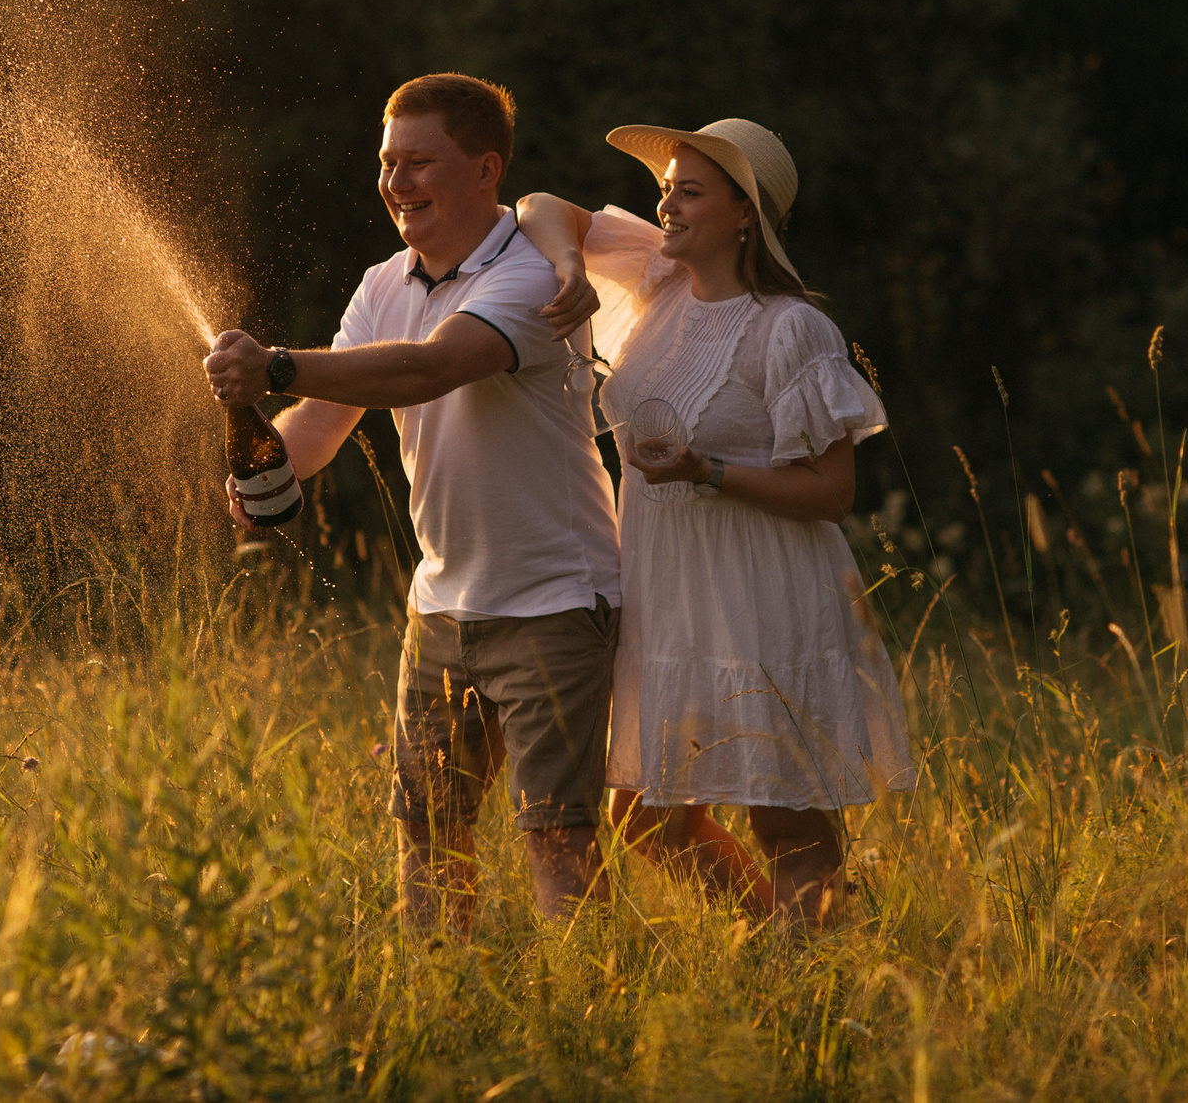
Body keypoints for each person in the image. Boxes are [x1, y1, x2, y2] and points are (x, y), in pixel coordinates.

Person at [203, 73, 622, 929]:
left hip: (556, 600)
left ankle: (595, 1024)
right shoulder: (382, 281)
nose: (397, 182)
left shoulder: (534, 275)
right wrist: (269, 470)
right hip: (441, 608)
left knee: (559, 840)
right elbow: (322, 422)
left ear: (485, 170)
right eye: (388, 163)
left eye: (420, 162)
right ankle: (445, 1001)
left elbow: (426, 367)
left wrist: (275, 361)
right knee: (427, 831)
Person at [516, 117, 913, 928]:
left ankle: (817, 974)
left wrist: (712, 470)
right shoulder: (657, 282)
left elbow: (833, 490)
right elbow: (538, 206)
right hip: (665, 588)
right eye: (666, 189)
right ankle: (777, 929)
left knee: (784, 814)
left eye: (689, 192)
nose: (667, 205)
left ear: (745, 214)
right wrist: (569, 270)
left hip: (763, 587)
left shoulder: (790, 327)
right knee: (642, 813)